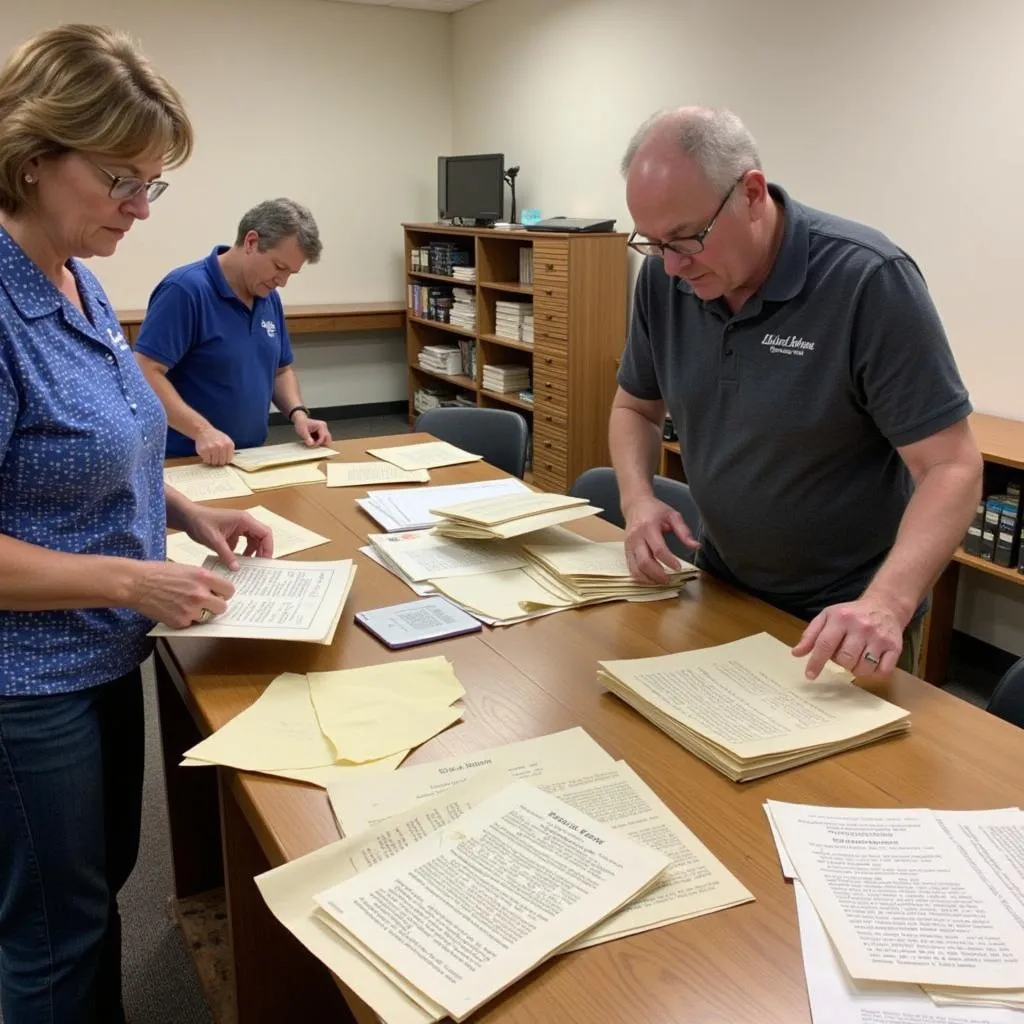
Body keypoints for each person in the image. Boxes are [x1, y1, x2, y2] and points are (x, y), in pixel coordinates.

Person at [0, 25, 273, 1024]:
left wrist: (192, 511)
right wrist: (129, 578)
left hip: (101, 655)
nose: (141, 207)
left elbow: (109, 443)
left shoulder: (78, 277)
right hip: (25, 683)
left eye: (152, 183)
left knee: (95, 889)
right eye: (121, 178)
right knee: (50, 930)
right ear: (34, 159)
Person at [612, 106, 982, 681]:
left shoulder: (867, 280)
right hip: (723, 587)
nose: (672, 265)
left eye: (686, 239)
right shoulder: (665, 279)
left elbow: (953, 467)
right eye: (653, 243)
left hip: (845, 622)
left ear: (752, 194)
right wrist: (637, 500)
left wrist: (888, 603)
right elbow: (635, 406)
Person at [134, 197, 332, 464]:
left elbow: (281, 370)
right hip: (184, 458)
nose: (282, 282)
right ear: (251, 242)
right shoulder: (185, 290)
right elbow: (144, 371)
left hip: (249, 458)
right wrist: (201, 431)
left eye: (291, 274)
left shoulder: (267, 295)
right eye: (279, 267)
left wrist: (299, 415)